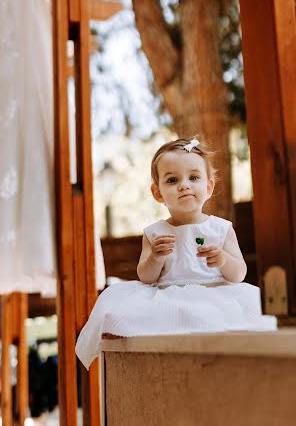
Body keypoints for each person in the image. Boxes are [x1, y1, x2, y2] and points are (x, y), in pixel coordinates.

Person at [76, 138, 277, 369]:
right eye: (172, 180)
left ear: (209, 187)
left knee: (217, 323)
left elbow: (239, 273)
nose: (184, 185)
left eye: (193, 177)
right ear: (157, 192)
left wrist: (222, 259)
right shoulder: (155, 233)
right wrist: (156, 257)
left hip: (215, 294)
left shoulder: (221, 228)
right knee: (138, 317)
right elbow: (146, 276)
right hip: (169, 296)